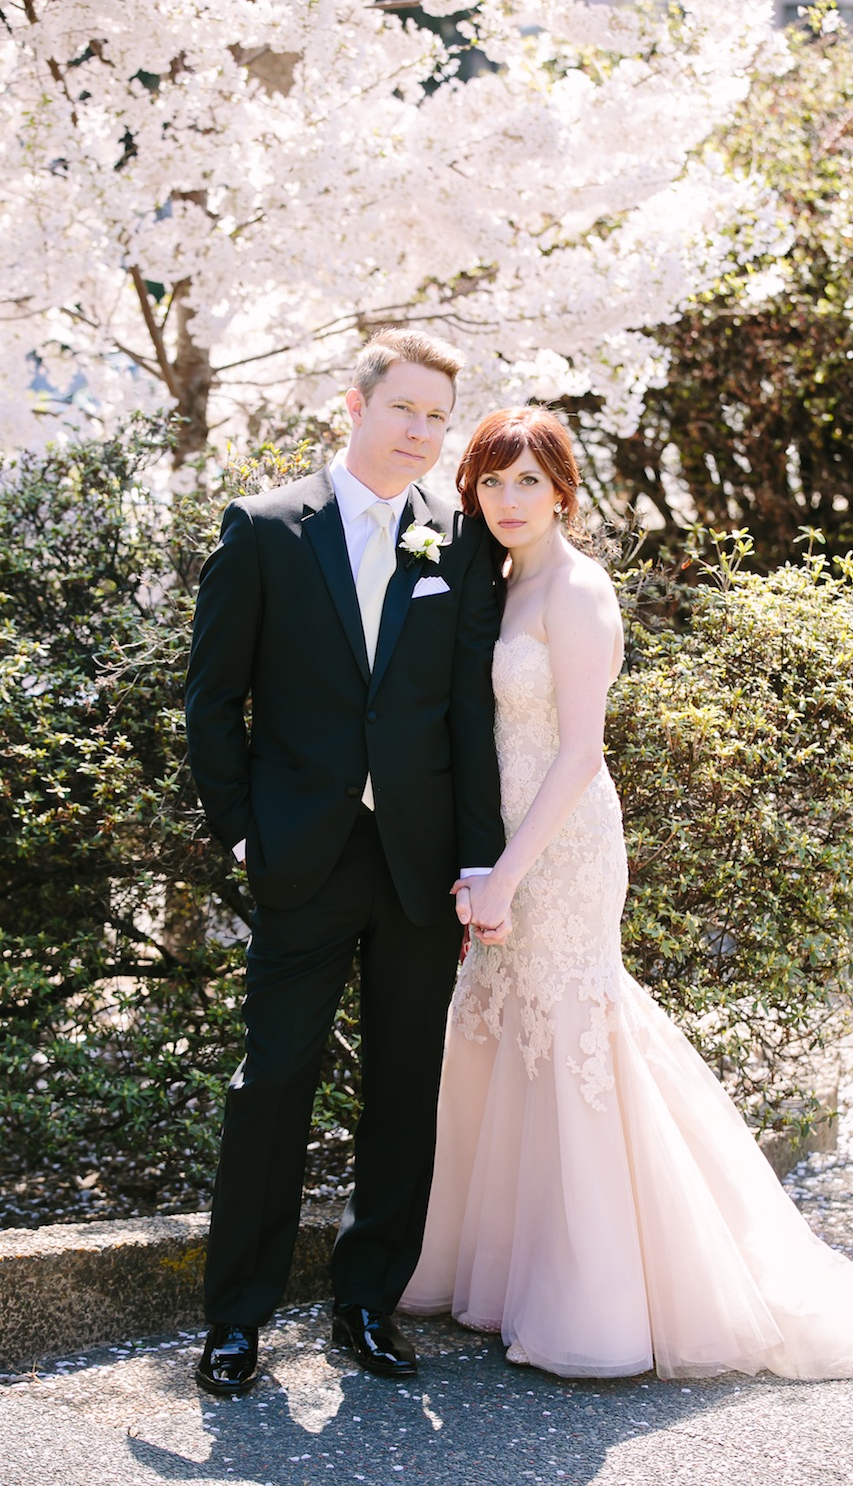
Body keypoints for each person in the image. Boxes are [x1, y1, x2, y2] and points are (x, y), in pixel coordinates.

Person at [400, 407, 853, 1381]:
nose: (510, 500)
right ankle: (510, 1277)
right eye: (491, 482)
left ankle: (603, 1298)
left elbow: (578, 756)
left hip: (560, 851)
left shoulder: (577, 592)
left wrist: (506, 875)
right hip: (499, 849)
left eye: (529, 481)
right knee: (505, 1027)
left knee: (574, 1034)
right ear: (470, 493)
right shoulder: (498, 584)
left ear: (564, 490)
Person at [184, 329, 506, 1395]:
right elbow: (211, 698)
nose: (420, 433)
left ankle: (366, 1304)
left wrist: (474, 860)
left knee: (405, 1088)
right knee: (271, 1079)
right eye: (403, 409)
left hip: (416, 868)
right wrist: (242, 830)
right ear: (356, 405)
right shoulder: (268, 529)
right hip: (303, 856)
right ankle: (237, 1318)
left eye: (435, 417)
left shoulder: (456, 541)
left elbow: (465, 714)